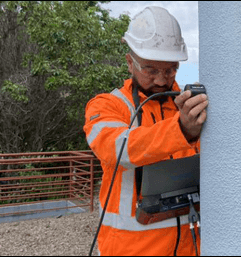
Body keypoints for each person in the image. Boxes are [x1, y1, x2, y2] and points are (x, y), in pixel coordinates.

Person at [83, 6, 208, 256]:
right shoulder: (107, 106)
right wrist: (182, 130)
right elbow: (119, 148)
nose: (162, 79)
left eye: (170, 69)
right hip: (129, 249)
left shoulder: (187, 106)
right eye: (151, 70)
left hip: (189, 248)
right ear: (130, 62)